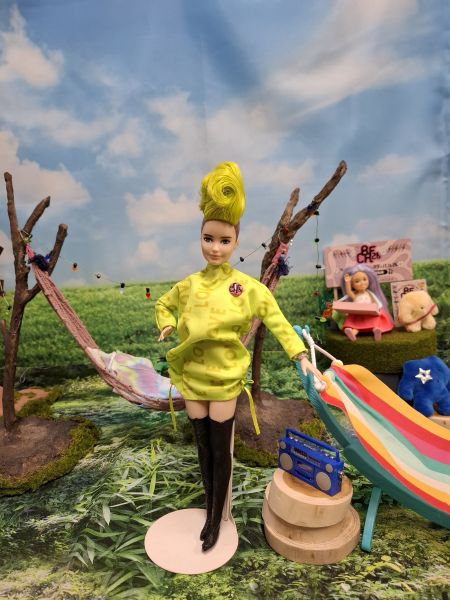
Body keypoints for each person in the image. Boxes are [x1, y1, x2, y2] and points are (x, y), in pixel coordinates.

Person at [155, 161, 323, 552]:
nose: (215, 247)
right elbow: (163, 304)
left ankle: (215, 518)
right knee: (202, 447)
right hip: (191, 374)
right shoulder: (188, 285)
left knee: (220, 447)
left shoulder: (246, 287)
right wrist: (166, 322)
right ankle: (210, 507)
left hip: (225, 377)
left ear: (235, 241)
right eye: (208, 238)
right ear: (200, 237)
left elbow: (276, 319)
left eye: (224, 240)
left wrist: (300, 354)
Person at [340, 264, 394, 342]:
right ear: (352, 285)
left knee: (375, 321)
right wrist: (347, 282)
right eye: (357, 281)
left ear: (369, 280)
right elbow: (349, 292)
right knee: (356, 325)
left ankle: (376, 331)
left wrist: (377, 308)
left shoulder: (369, 293)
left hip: (370, 314)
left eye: (364, 279)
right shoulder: (355, 295)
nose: (362, 283)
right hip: (358, 314)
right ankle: (352, 333)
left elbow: (376, 302)